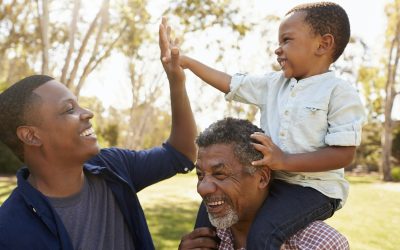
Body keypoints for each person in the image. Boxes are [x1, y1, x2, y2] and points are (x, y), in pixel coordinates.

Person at [161, 2, 365, 249]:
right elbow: (231, 84)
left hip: (313, 191)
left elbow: (344, 154)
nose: (277, 50)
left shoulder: (340, 93)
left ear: (323, 44)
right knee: (206, 220)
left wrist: (284, 161)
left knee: (264, 233)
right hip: (274, 182)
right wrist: (187, 62)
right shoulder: (273, 84)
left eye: (287, 40)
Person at [0, 18, 195, 250]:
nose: (88, 113)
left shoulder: (113, 166)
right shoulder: (9, 230)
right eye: (69, 109)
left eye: (79, 104)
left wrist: (176, 81)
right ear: (31, 136)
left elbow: (181, 153)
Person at [178, 118, 349, 250]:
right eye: (200, 175)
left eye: (220, 174)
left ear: (262, 178)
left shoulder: (320, 244)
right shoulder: (204, 238)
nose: (202, 188)